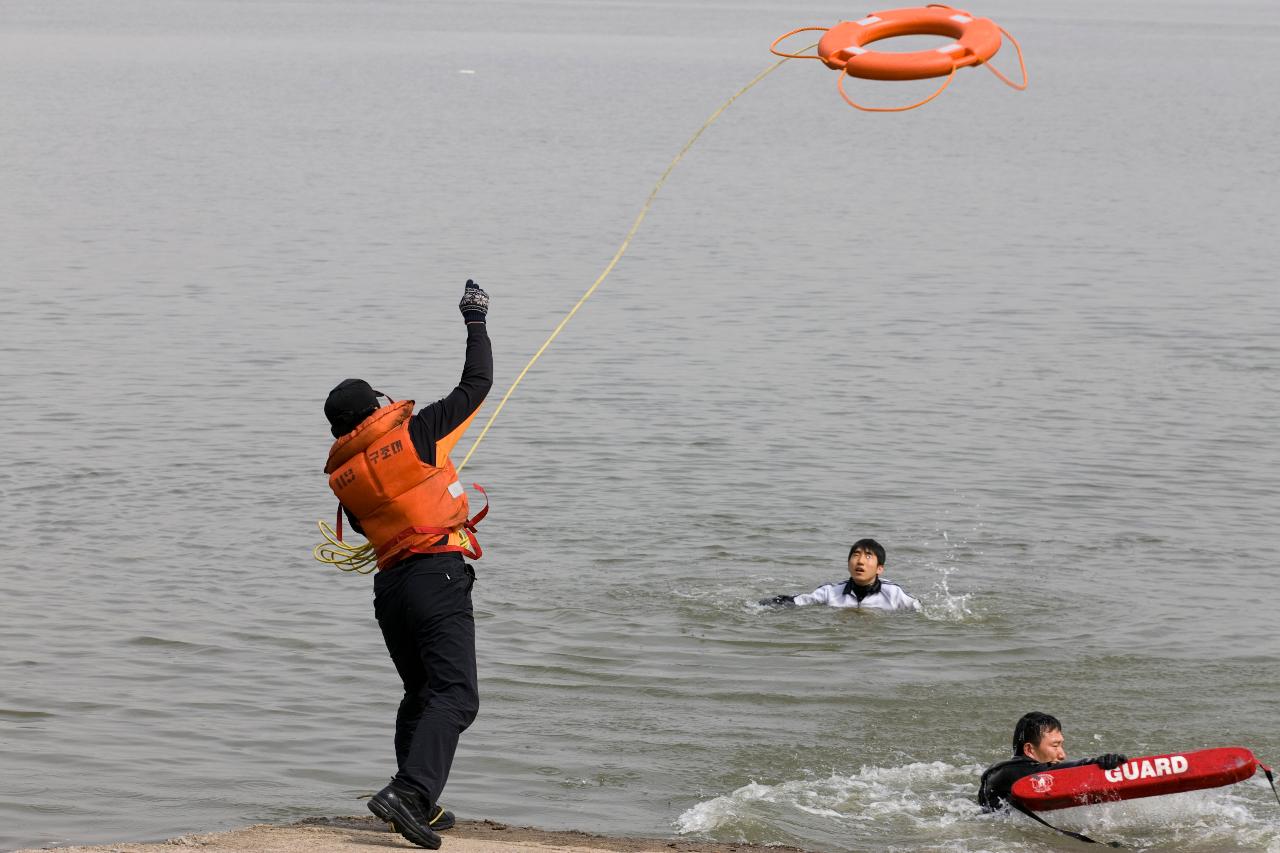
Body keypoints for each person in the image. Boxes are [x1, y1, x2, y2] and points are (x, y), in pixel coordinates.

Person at [322, 279, 492, 850]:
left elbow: (375, 531)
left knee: (420, 692)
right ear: (375, 409)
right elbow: (478, 382)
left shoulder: (345, 482)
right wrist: (475, 319)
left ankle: (420, 801)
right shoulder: (417, 433)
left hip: (391, 590)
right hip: (436, 577)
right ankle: (409, 791)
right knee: (456, 695)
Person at [978, 712, 1127, 811]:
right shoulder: (1009, 772)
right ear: (1030, 750)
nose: (1062, 754)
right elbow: (1045, 773)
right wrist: (1093, 763)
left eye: (1061, 745)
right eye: (1055, 746)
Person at [760, 538, 921, 612]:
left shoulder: (893, 594)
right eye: (856, 555)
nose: (861, 562)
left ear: (880, 569)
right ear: (848, 563)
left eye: (868, 556)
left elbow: (920, 611)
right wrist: (762, 605)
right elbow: (797, 601)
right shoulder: (830, 592)